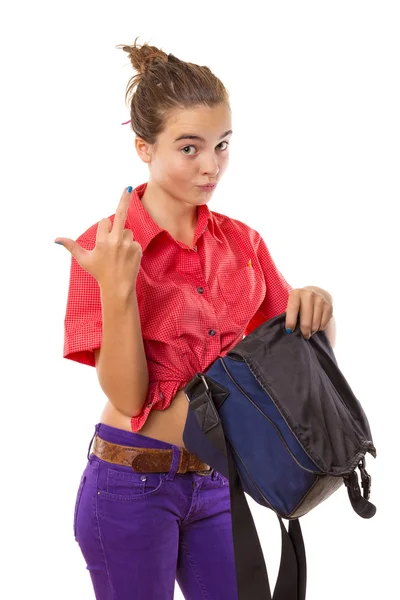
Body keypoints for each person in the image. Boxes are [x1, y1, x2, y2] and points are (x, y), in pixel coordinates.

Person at [55, 39, 335, 600]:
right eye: (189, 148)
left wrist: (318, 305)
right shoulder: (103, 248)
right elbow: (133, 400)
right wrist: (118, 289)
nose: (211, 165)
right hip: (129, 487)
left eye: (222, 145)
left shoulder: (243, 243)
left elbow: (300, 376)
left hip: (216, 484)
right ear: (143, 146)